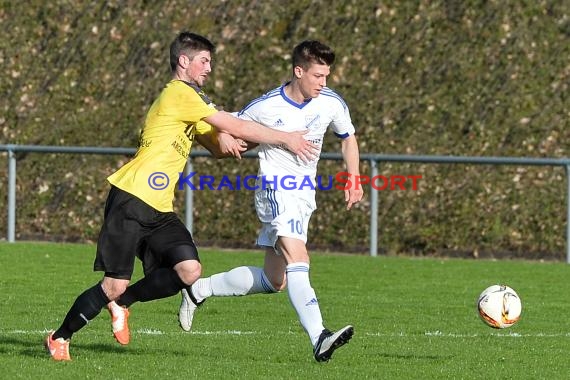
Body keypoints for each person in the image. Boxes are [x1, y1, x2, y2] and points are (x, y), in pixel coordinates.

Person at [44, 31, 317, 361]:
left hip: (158, 208)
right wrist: (284, 137)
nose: (209, 68)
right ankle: (60, 337)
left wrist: (251, 138)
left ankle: (123, 303)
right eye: (204, 61)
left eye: (211, 62)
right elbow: (232, 124)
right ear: (183, 61)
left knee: (189, 271)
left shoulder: (192, 105)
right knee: (112, 284)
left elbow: (222, 144)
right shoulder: (179, 93)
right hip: (131, 198)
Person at [177, 40, 364, 362]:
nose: (324, 82)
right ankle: (319, 335)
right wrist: (223, 137)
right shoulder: (266, 107)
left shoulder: (331, 102)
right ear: (298, 71)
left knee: (275, 280)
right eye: (318, 76)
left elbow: (348, 139)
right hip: (274, 189)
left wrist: (354, 178)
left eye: (327, 76)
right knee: (298, 256)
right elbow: (225, 124)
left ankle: (199, 290)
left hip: (304, 193)